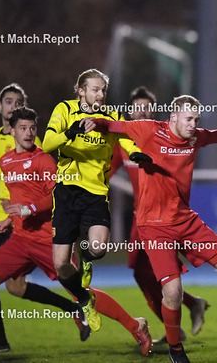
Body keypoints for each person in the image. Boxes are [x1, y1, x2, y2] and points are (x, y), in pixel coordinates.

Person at [0, 107, 152, 362]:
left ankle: (135, 326)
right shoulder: (6, 160)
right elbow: (10, 185)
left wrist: (28, 209)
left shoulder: (43, 159)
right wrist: (6, 214)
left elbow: (55, 195)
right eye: (23, 128)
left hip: (49, 239)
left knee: (81, 293)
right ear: (12, 131)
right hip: (20, 240)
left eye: (33, 128)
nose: (29, 133)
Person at [91, 95, 217, 363]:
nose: (193, 124)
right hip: (154, 227)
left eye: (196, 119)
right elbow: (112, 125)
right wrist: (90, 121)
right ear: (173, 117)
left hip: (185, 221)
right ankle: (176, 348)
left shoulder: (195, 138)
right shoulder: (149, 129)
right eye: (188, 119)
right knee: (173, 292)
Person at [0, 83, 90, 354]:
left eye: (18, 102)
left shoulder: (33, 145)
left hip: (30, 225)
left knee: (13, 283)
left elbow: (46, 187)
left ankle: (105, 316)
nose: (13, 106)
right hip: (5, 222)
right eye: (9, 101)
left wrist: (26, 210)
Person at [42, 69, 140, 332]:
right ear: (81, 91)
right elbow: (47, 144)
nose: (100, 94)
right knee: (61, 264)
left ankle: (85, 256)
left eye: (103, 90)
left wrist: (136, 154)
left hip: (95, 192)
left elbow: (127, 139)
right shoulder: (65, 109)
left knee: (98, 247)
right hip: (66, 192)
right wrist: (69, 133)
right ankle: (85, 299)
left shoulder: (111, 116)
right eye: (95, 89)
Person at [110, 86, 209, 344]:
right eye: (137, 108)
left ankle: (177, 327)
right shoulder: (124, 144)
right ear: (130, 111)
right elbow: (106, 172)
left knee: (157, 275)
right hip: (141, 219)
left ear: (153, 111)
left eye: (147, 108)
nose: (142, 112)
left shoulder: (159, 137)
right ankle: (190, 307)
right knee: (141, 274)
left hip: (164, 219)